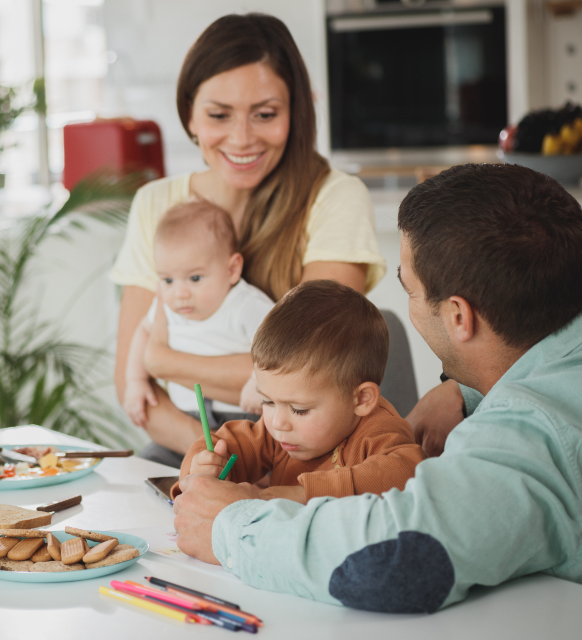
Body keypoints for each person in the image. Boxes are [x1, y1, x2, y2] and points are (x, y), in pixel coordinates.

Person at [172, 163, 582, 611]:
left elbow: (394, 562)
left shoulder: (526, 443)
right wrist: (464, 389)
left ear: (457, 316)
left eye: (407, 288)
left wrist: (229, 526)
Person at [111, 14, 386, 464]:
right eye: (219, 115)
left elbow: (312, 373)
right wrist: (217, 452)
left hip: (299, 451)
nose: (241, 138)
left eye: (265, 114)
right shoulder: (154, 204)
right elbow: (135, 390)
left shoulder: (334, 198)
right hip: (191, 444)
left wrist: (162, 360)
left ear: (294, 113)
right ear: (190, 115)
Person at [172, 280, 424, 502]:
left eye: (299, 409)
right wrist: (200, 468)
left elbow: (407, 470)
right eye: (267, 401)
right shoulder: (280, 432)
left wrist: (302, 494)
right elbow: (224, 443)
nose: (277, 422)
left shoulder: (379, 432)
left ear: (361, 399)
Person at [123, 200, 274, 432]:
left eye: (194, 278)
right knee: (152, 458)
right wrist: (136, 381)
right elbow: (144, 331)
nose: (179, 293)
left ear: (232, 270)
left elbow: (280, 345)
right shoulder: (167, 305)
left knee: (255, 463)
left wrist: (257, 382)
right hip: (187, 415)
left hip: (244, 415)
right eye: (168, 280)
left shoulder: (246, 305)